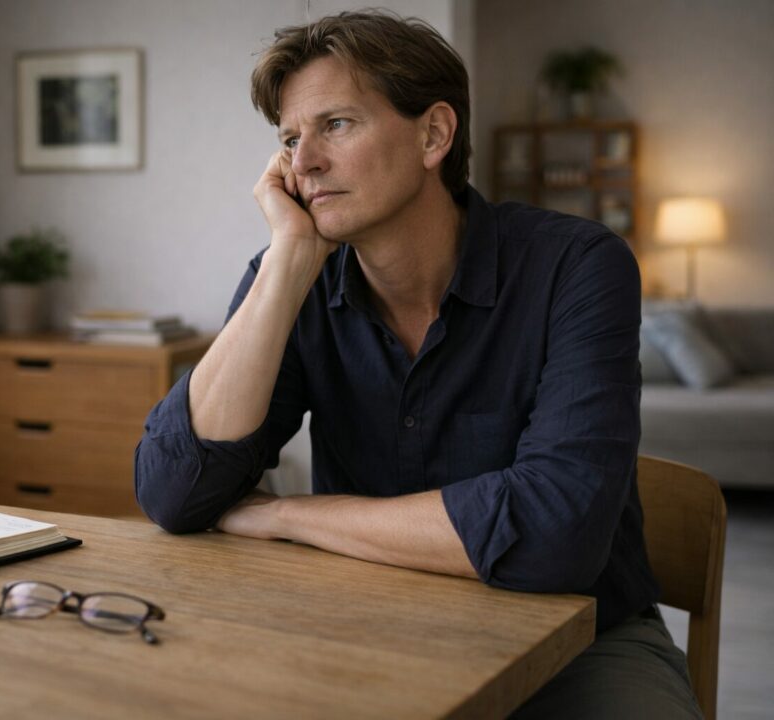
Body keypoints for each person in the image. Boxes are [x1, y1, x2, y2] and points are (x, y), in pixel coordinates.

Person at [135, 10, 701, 718]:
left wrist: (288, 514)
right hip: (362, 625)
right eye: (288, 138)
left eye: (335, 125)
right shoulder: (293, 276)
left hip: (580, 643)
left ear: (434, 134)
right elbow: (174, 491)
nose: (302, 163)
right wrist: (284, 264)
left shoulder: (577, 267)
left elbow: (555, 535)